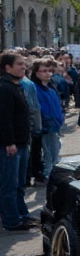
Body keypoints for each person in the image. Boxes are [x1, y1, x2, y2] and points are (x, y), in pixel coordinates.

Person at [0, 51, 34, 231]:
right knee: (9, 185)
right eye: (19, 64)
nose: (24, 67)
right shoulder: (4, 88)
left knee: (20, 184)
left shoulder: (17, 86)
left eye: (24, 64)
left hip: (22, 142)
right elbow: (4, 119)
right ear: (7, 67)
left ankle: (22, 214)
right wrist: (9, 142)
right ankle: (11, 220)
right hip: (10, 146)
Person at [33, 58, 63, 183]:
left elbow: (57, 107)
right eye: (44, 71)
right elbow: (39, 109)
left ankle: (52, 173)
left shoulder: (51, 88)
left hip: (55, 125)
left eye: (49, 71)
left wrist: (60, 119)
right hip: (45, 127)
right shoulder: (35, 88)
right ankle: (48, 174)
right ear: (36, 73)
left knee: (55, 151)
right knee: (48, 153)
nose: (48, 73)